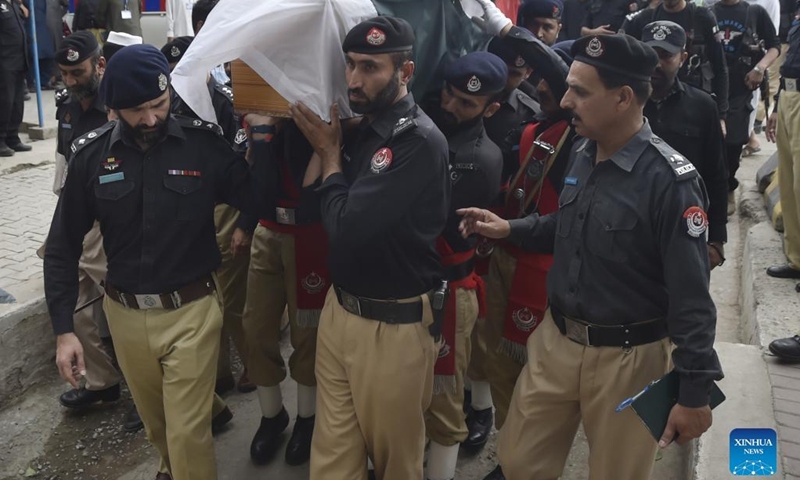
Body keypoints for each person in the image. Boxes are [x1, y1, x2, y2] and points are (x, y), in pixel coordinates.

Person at [464, 5, 724, 479]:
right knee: (519, 460)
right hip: (558, 338)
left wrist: (694, 392)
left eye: (580, 92)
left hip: (630, 360)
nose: (565, 101)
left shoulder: (670, 182)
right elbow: (567, 227)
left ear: (624, 98)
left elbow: (692, 297)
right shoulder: (583, 149)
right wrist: (509, 229)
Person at [43, 44, 274, 480]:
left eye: (159, 104)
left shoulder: (202, 146)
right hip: (125, 315)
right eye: (136, 110)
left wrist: (260, 137)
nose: (150, 119)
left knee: (188, 433)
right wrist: (63, 331)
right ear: (113, 108)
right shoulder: (91, 156)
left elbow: (254, 196)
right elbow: (61, 247)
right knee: (160, 427)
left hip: (192, 311)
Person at [289, 16, 450, 480]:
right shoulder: (365, 127)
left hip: (393, 327)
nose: (355, 80)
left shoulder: (416, 140)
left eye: (371, 68)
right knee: (333, 462)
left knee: (396, 463)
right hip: (340, 312)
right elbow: (307, 208)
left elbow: (342, 225)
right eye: (351, 65)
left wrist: (331, 154)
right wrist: (327, 147)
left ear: (405, 72)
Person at [422, 51, 504, 480]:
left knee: (444, 395)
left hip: (448, 288)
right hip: (413, 284)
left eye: (466, 104)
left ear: (490, 108)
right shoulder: (430, 127)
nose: (452, 106)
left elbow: (446, 232)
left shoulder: (479, 157)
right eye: (449, 96)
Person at [161, 35, 254, 396]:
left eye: (180, 71)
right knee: (201, 296)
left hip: (222, 208)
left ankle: (252, 364)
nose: (174, 80)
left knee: (230, 297)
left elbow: (243, 168)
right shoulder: (168, 103)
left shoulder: (224, 103)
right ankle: (217, 375)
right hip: (187, 208)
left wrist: (244, 222)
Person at [239, 119, 324, 467]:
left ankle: (308, 418)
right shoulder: (259, 115)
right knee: (256, 327)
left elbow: (311, 185)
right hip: (268, 228)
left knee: (308, 334)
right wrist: (259, 134)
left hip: (310, 234)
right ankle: (272, 415)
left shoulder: (319, 109)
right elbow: (255, 181)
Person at [48, 31, 124, 410]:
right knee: (73, 301)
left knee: (126, 303)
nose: (70, 81)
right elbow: (65, 162)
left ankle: (156, 397)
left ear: (100, 65)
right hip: (79, 215)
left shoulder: (121, 103)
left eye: (77, 72)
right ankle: (102, 382)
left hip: (114, 216)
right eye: (64, 73)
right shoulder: (67, 107)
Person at [642, 21, 729, 270]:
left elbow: (716, 175)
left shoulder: (703, 107)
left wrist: (717, 239)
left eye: (666, 55)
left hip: (686, 226)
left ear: (683, 58)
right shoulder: (623, 102)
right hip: (631, 227)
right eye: (651, 54)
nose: (657, 64)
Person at [713, 0, 780, 215]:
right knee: (710, 143)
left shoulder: (754, 12)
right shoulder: (708, 11)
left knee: (733, 142)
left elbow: (774, 46)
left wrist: (760, 68)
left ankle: (728, 187)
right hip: (710, 87)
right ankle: (712, 190)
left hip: (740, 89)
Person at [621, 0, 731, 128]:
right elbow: (624, 64)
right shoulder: (644, 18)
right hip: (652, 104)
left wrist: (721, 116)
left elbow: (720, 66)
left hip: (693, 104)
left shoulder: (702, 17)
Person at [767, 1, 800, 282]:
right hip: (789, 96)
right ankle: (796, 259)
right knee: (788, 184)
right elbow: (789, 64)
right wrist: (777, 106)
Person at [0, 0, 29, 157]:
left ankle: (12, 137)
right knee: (4, 102)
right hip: (4, 61)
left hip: (19, 60)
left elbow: (26, 16)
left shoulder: (13, 4)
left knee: (17, 103)